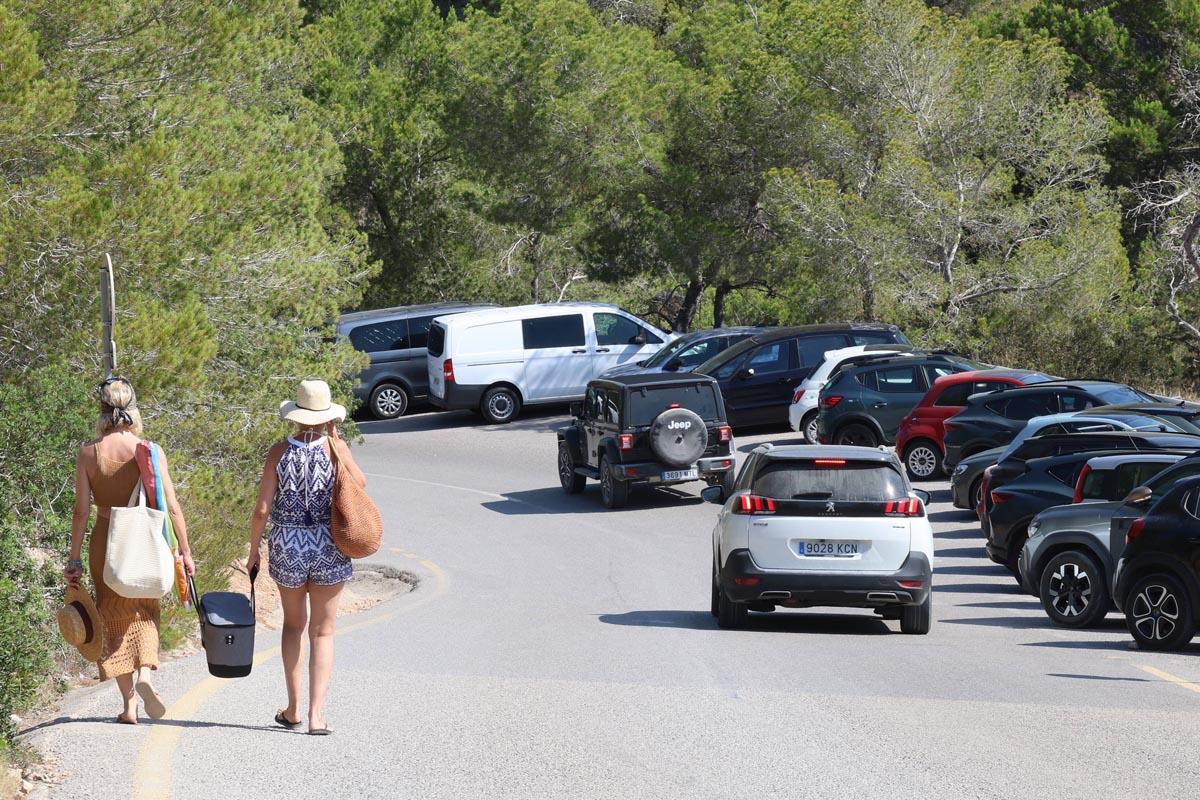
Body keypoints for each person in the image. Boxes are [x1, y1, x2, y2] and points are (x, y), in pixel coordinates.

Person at [65, 377, 195, 724]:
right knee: (145, 610)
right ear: (133, 409)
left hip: (107, 542)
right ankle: (146, 677)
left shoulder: (89, 454)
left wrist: (74, 557)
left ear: (101, 411)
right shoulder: (150, 450)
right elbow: (173, 507)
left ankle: (128, 707)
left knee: (112, 616)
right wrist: (184, 550)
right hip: (148, 539)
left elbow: (81, 511)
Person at [248, 379, 366, 736]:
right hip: (328, 543)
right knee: (324, 631)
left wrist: (253, 549)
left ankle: (293, 708)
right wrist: (341, 449)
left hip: (288, 544)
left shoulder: (278, 452)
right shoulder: (335, 449)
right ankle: (317, 716)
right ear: (328, 417)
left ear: (296, 416)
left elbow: (262, 508)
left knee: (293, 625)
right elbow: (359, 485)